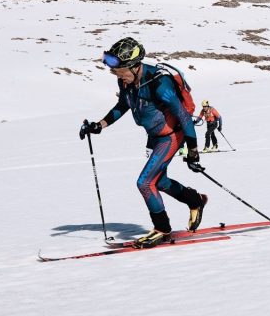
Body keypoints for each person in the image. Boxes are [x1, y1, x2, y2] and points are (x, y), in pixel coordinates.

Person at [79, 37, 206, 249]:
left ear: (134, 65)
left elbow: (184, 118)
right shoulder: (127, 80)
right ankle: (195, 200)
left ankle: (162, 229)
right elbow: (123, 105)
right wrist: (99, 125)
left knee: (145, 183)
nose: (117, 76)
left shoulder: (160, 84)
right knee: (160, 181)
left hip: (171, 137)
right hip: (154, 136)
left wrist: (193, 152)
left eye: (119, 71)